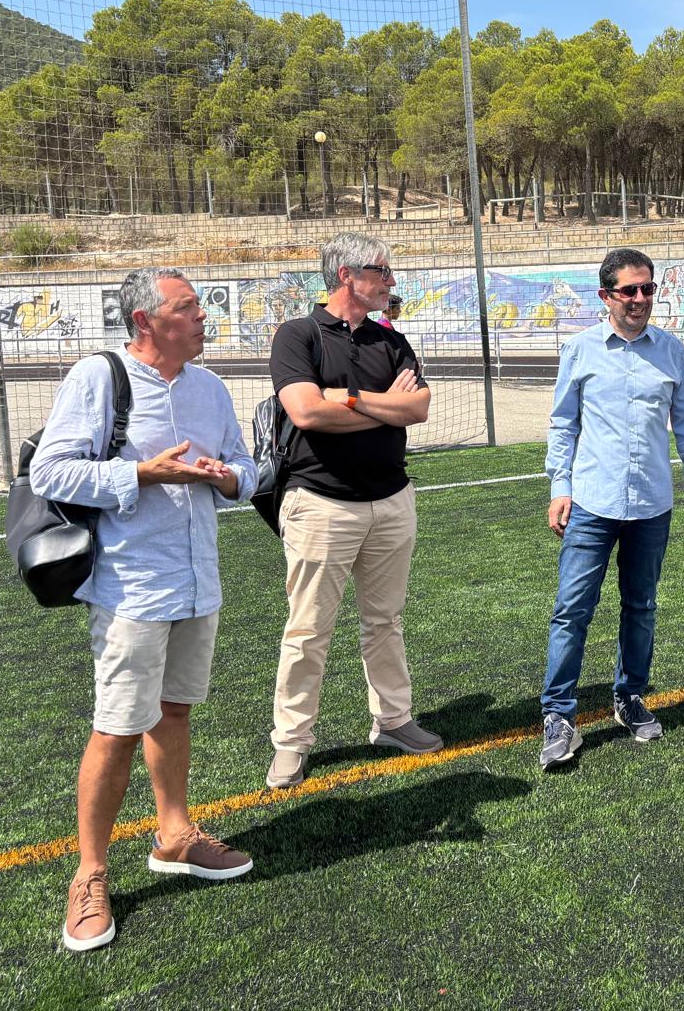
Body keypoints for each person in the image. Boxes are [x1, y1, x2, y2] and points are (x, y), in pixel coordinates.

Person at [31, 266, 258, 953]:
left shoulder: (212, 386)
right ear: (145, 322)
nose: (202, 316)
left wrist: (228, 478)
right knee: (117, 728)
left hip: (197, 582)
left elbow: (247, 472)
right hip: (132, 587)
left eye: (200, 305)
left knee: (177, 710)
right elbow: (50, 470)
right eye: (188, 307)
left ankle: (174, 834)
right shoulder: (100, 378)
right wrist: (141, 473)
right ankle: (91, 874)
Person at [265, 232, 441, 790]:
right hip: (320, 505)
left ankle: (392, 720)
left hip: (391, 501)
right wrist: (381, 408)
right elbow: (306, 413)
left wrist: (352, 399)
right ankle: (291, 744)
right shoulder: (298, 335)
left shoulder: (391, 340)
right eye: (382, 271)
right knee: (308, 630)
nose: (392, 281)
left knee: (384, 622)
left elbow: (418, 407)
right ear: (347, 275)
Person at [538, 247, 684, 770]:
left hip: (653, 504)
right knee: (572, 610)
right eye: (629, 290)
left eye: (647, 289)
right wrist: (559, 486)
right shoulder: (580, 350)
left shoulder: (672, 350)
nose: (640, 299)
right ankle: (558, 714)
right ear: (605, 295)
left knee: (641, 607)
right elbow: (563, 423)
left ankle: (629, 697)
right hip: (592, 502)